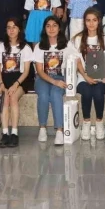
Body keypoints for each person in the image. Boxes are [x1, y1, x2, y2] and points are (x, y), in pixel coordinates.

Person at [70, 8, 105, 141]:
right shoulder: (77, 39)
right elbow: (77, 61)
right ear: (84, 22)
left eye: (94, 20)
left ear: (99, 21)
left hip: (102, 77)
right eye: (88, 20)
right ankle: (86, 123)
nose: (91, 23)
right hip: (83, 77)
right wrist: (86, 76)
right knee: (87, 92)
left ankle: (99, 122)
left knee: (98, 92)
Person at [0, 17, 33, 147]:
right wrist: (1, 83)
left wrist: (16, 84)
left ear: (19, 29)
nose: (11, 30)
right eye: (9, 27)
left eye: (14, 27)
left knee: (13, 97)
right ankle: (5, 133)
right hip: (4, 78)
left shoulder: (26, 47)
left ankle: (14, 133)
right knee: (5, 98)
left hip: (21, 79)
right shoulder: (0, 46)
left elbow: (26, 71)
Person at [33, 16, 68, 145]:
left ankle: (59, 130)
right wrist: (54, 82)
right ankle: (42, 128)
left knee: (55, 94)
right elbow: (39, 70)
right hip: (43, 77)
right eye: (48, 26)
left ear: (59, 28)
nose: (51, 28)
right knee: (43, 95)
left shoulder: (67, 45)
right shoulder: (39, 46)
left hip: (60, 78)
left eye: (54, 25)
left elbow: (77, 61)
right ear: (44, 29)